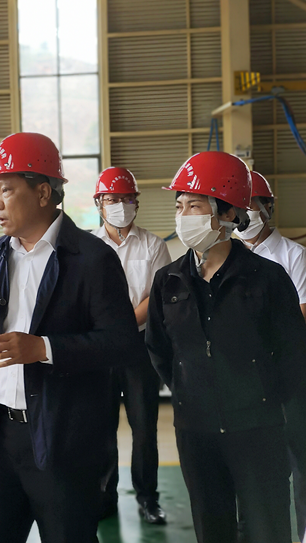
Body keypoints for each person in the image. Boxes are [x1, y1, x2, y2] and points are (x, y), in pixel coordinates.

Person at [0, 132, 141, 543]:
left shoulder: (92, 259)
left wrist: (43, 349)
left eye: (6, 190)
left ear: (42, 193)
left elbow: (122, 342)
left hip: (63, 442)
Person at [146, 151, 306, 543]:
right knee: (212, 528)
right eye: (179, 206)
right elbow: (160, 349)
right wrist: (191, 389)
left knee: (268, 528)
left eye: (194, 206)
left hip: (258, 429)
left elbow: (292, 357)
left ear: (227, 213)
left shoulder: (267, 278)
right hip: (196, 431)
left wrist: (295, 424)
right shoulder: (168, 281)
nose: (183, 216)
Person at [236, 171, 306, 539]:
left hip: (289, 377)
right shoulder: (227, 258)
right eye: (237, 207)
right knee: (251, 461)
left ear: (268, 207)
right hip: (245, 381)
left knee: (300, 457)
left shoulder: (294, 255)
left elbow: (303, 316)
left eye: (251, 205)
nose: (244, 214)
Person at [91, 167, 172, 525]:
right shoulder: (86, 247)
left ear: (137, 202)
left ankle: (147, 498)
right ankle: (104, 496)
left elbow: (157, 297)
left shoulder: (154, 246)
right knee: (101, 427)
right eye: (112, 199)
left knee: (144, 428)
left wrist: (121, 328)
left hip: (140, 348)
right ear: (99, 203)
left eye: (126, 199)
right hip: (99, 350)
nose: (120, 205)